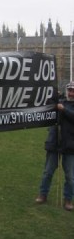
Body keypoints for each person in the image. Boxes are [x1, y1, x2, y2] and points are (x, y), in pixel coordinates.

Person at [35, 81, 74, 211]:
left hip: (70, 146)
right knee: (48, 172)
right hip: (54, 142)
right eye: (69, 90)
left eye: (73, 91)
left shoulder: (64, 105)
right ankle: (43, 194)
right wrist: (53, 93)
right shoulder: (60, 100)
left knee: (70, 176)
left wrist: (64, 109)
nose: (71, 93)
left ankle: (68, 200)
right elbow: (47, 102)